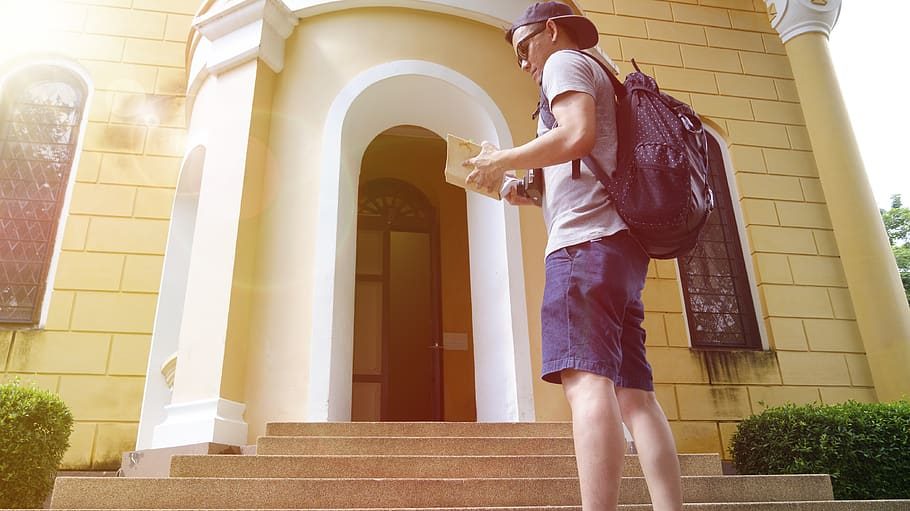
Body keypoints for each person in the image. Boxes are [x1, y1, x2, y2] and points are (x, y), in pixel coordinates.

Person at [463, 2, 684, 510]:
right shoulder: (601, 71)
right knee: (635, 396)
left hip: (582, 248)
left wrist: (503, 156)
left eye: (525, 47)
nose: (524, 63)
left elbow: (576, 134)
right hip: (619, 249)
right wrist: (515, 187)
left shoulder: (565, 61)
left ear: (553, 30)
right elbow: (583, 160)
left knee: (586, 384)